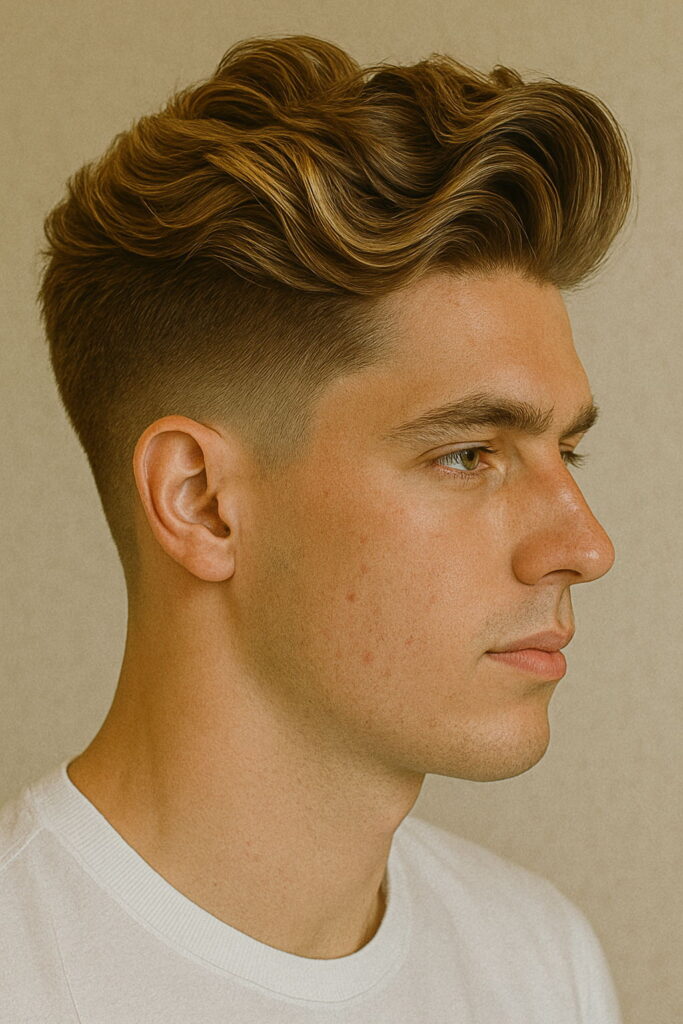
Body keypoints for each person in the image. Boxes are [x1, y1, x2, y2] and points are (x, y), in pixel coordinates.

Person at [1, 33, 632, 1022]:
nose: (584, 547)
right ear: (202, 502)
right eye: (469, 453)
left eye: (567, 452)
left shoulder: (538, 964)